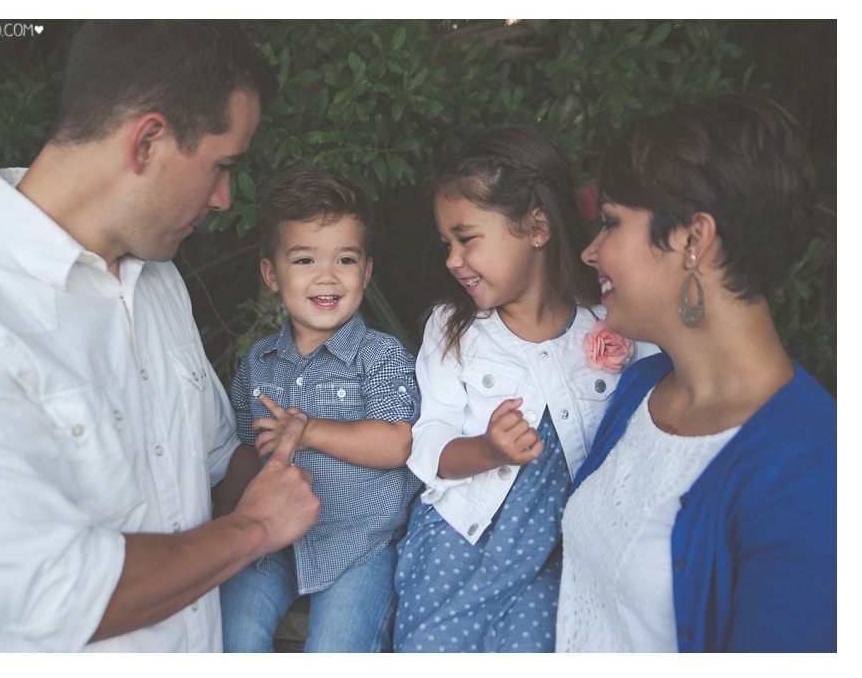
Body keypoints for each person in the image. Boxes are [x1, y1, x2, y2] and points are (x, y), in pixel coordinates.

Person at [0, 21, 321, 652]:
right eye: (221, 166)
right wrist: (258, 527)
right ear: (147, 141)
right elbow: (63, 596)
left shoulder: (158, 281)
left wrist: (295, 449)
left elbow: (211, 469)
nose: (226, 197)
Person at [555, 94, 836, 652]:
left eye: (610, 223)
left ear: (692, 239)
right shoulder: (642, 384)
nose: (591, 252)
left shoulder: (810, 476)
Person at [393, 125, 657, 653]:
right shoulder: (454, 329)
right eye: (446, 243)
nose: (451, 259)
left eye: (466, 239)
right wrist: (486, 450)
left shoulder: (612, 324)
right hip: (462, 544)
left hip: (559, 559)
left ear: (537, 227)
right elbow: (428, 441)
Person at [219, 169, 422, 653]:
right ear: (272, 275)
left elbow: (397, 442)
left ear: (366, 272)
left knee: (337, 649)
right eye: (305, 259)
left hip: (361, 547)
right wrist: (222, 529)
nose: (326, 276)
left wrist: (308, 432)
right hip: (272, 543)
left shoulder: (382, 355)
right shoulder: (259, 361)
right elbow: (246, 453)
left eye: (345, 259)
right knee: (231, 635)